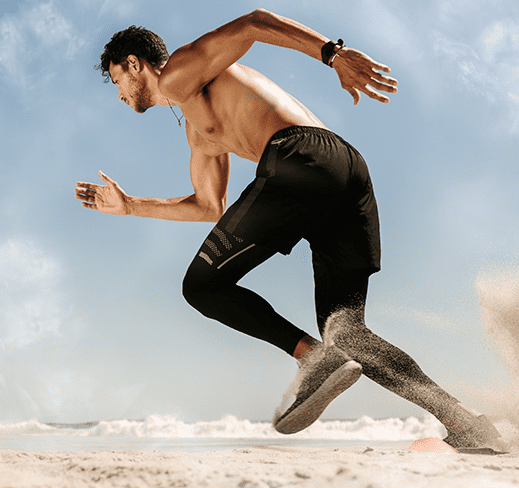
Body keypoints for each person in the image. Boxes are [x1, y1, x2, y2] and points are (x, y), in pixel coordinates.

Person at [75, 9, 505, 448]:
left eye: (116, 82)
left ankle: (313, 358)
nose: (120, 95)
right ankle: (467, 422)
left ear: (134, 64)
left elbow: (253, 23)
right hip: (344, 170)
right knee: (347, 333)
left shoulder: (177, 74)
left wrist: (332, 54)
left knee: (202, 286)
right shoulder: (199, 129)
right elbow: (208, 206)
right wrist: (130, 206)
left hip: (301, 155)